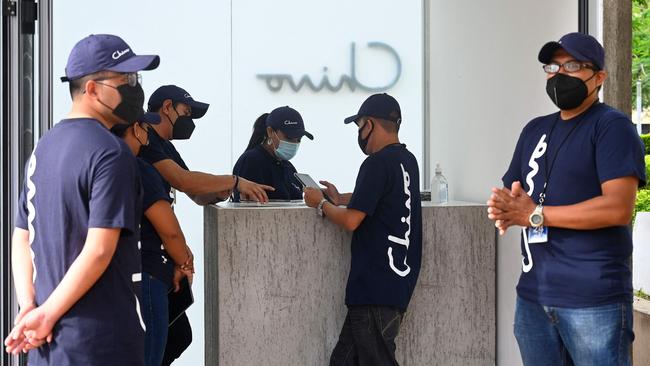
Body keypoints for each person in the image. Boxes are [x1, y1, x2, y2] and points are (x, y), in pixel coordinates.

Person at [487, 32, 646, 365]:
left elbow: (618, 208)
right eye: (552, 66)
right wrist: (504, 208)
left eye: (572, 65)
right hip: (533, 298)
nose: (559, 74)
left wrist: (535, 215)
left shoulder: (612, 127)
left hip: (593, 301)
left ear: (598, 76)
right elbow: (516, 194)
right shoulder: (535, 129)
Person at [4, 34, 159, 365]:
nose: (134, 87)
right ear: (91, 89)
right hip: (101, 343)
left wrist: (30, 305)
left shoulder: (43, 148)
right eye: (125, 80)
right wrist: (45, 314)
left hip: (48, 347)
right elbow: (100, 248)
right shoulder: (111, 153)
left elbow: (21, 235)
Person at [304, 93, 422, 366]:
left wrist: (319, 203)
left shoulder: (375, 163)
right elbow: (382, 198)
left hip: (373, 289)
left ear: (369, 124)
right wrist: (341, 198)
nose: (359, 134)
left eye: (359, 127)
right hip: (394, 286)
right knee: (343, 361)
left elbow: (351, 221)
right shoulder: (407, 161)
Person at [110, 113, 194, 366]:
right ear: (135, 129)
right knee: (148, 357)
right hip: (147, 275)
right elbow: (168, 229)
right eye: (145, 127)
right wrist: (183, 263)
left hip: (115, 276)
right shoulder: (138, 168)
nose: (147, 134)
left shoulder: (100, 166)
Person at [140, 85, 273, 205]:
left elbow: (196, 195)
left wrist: (218, 193)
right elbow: (183, 181)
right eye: (186, 113)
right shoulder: (144, 140)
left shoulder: (166, 146)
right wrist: (235, 181)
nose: (188, 121)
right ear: (167, 107)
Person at [232, 106, 314, 201]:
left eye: (299, 139)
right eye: (289, 138)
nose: (294, 143)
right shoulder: (251, 161)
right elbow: (244, 210)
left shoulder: (289, 168)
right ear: (270, 132)